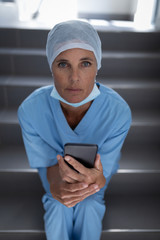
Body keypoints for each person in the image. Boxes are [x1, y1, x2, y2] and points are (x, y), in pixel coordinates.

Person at [18, 20, 132, 240]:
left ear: (98, 64)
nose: (74, 78)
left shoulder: (118, 112)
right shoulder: (31, 110)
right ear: (51, 65)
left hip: (96, 178)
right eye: (63, 64)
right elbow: (48, 165)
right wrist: (57, 188)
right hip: (53, 172)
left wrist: (94, 182)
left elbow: (101, 175)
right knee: (58, 205)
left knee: (89, 205)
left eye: (85, 63)